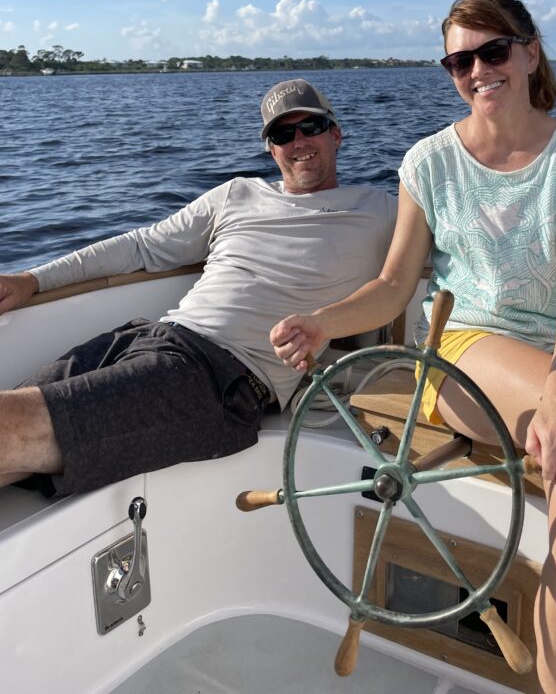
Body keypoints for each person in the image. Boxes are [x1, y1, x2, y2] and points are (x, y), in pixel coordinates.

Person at [270, 0, 556, 694]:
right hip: (462, 349)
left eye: (493, 51)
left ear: (530, 52)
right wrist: (325, 321)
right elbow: (394, 284)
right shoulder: (428, 163)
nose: (477, 70)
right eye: (460, 61)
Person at [0, 79, 396, 499]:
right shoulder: (237, 194)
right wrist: (32, 280)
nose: (298, 141)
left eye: (311, 127)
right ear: (271, 149)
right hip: (147, 337)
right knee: (13, 436)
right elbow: (141, 246)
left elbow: (419, 267)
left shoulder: (382, 210)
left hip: (222, 379)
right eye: (283, 134)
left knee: (9, 424)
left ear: (336, 134)